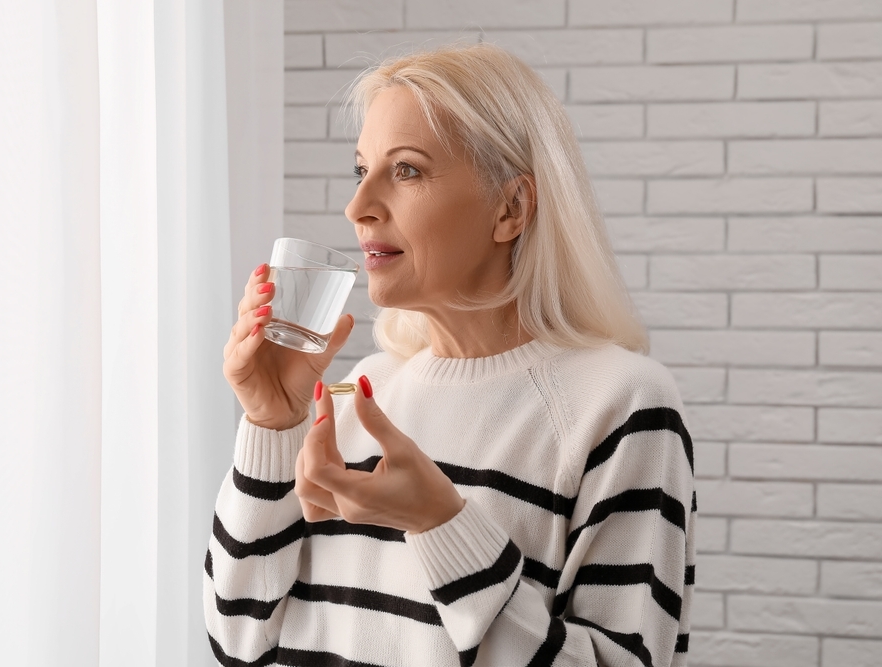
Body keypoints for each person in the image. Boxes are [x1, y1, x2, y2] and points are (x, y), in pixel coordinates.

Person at [206, 43, 695, 667]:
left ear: (510, 208)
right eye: (362, 170)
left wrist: (442, 523)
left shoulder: (621, 406)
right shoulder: (359, 392)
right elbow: (238, 640)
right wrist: (272, 426)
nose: (358, 208)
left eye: (405, 170)